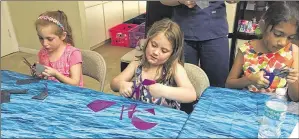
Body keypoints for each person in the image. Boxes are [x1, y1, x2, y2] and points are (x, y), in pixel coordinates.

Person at [160, 0, 236, 114]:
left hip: (215, 31)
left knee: (217, 87)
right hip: (183, 31)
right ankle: (183, 120)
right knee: (181, 85)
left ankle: (214, 120)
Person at [110, 18, 196, 110]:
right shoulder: (136, 65)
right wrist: (121, 85)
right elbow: (113, 84)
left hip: (164, 120)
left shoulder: (174, 68)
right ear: (147, 41)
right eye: (154, 45)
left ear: (172, 53)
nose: (156, 52)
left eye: (164, 51)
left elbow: (191, 94)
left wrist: (163, 91)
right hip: (138, 117)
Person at [226, 2, 299, 102]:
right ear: (263, 26)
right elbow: (229, 84)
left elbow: (296, 98)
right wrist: (249, 79)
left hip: (276, 108)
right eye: (278, 34)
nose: (283, 42)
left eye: (290, 37)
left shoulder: (293, 52)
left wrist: (293, 81)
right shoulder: (246, 50)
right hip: (246, 106)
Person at [34, 10, 83, 87]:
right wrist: (38, 71)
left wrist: (56, 74)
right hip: (51, 92)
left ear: (63, 36)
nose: (44, 43)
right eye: (41, 38)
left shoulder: (73, 54)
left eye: (50, 39)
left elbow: (75, 83)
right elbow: (44, 77)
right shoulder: (43, 53)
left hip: (71, 94)